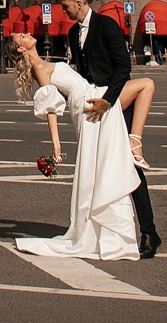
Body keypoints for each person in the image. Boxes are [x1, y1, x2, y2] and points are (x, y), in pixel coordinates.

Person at [7, 33, 140, 261]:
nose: (28, 34)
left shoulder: (44, 62)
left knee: (101, 160)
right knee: (98, 160)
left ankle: (104, 228)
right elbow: (50, 106)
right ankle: (134, 143)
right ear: (20, 48)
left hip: (90, 95)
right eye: (22, 36)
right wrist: (56, 144)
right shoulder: (39, 67)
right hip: (85, 100)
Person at [56, 0, 161, 257]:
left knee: (130, 169)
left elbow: (123, 68)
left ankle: (149, 232)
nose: (63, 11)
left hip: (113, 105)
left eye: (66, 6)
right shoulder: (72, 33)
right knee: (97, 168)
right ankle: (97, 231)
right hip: (94, 107)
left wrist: (109, 100)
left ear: (79, 3)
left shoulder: (107, 25)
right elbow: (82, 74)